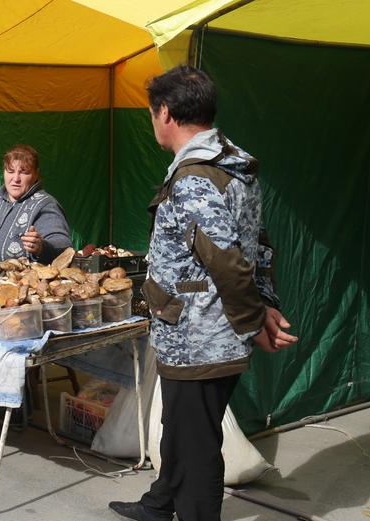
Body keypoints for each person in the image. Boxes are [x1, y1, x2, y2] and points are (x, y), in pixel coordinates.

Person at [108, 65, 298, 521]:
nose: (153, 122)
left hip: (201, 336)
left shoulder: (195, 178)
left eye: (152, 113)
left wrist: (254, 321)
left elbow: (227, 261)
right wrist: (265, 304)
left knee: (197, 447)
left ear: (166, 113)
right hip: (199, 329)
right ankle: (159, 504)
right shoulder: (233, 164)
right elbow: (259, 243)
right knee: (180, 426)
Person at [0, 144, 73, 264]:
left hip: (22, 281)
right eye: (10, 171)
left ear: (36, 175)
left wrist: (41, 247)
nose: (16, 179)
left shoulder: (45, 204)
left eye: (24, 172)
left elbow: (64, 246)